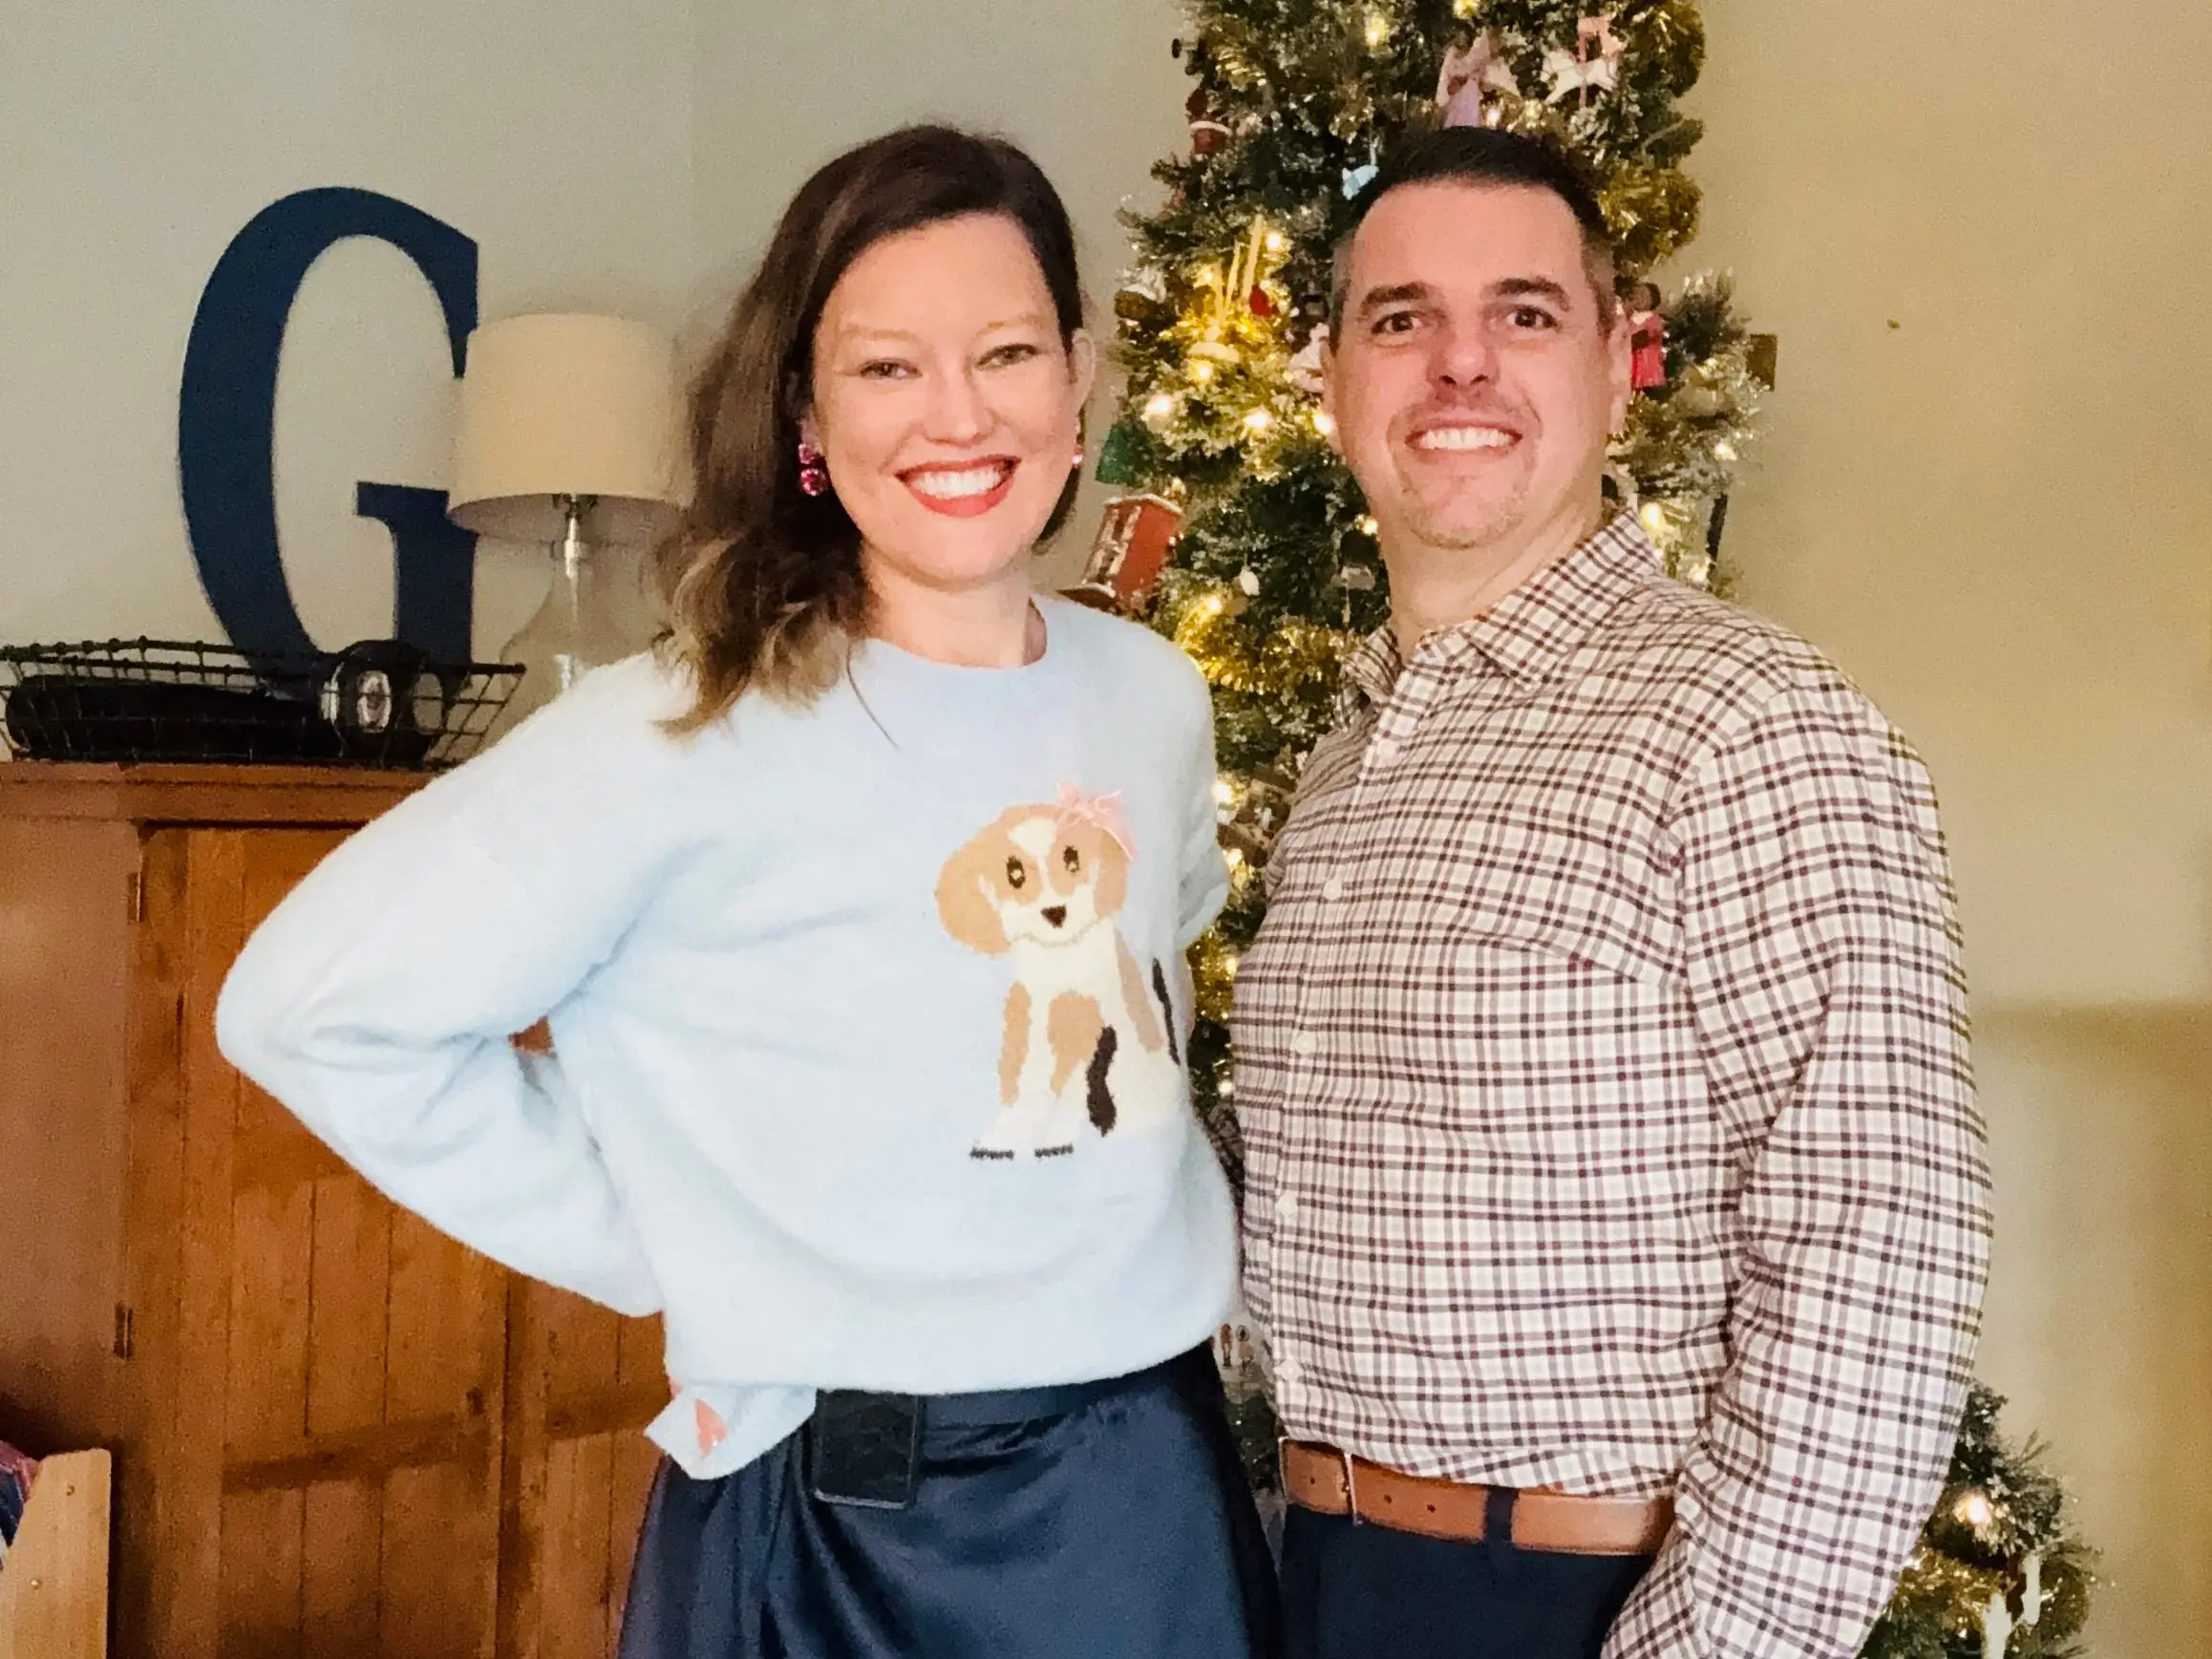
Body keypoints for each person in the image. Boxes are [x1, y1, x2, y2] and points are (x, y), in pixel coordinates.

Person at [218, 125, 1277, 1659]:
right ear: (807, 413)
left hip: (1140, 1491)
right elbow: (304, 1011)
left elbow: (1157, 953)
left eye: (1004, 352)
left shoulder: (1154, 696)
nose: (957, 416)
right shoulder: (677, 732)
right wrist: (663, 1236)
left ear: (1080, 381)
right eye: (887, 368)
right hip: (839, 1524)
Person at [1231, 127, 1990, 1659]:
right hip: (1314, 1577)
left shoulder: (1746, 725)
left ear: (1618, 357)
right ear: (1329, 379)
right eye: (1400, 320)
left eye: (1522, 312)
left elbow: (1877, 1259)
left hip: (1590, 1602)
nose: (1459, 367)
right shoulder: (1342, 767)